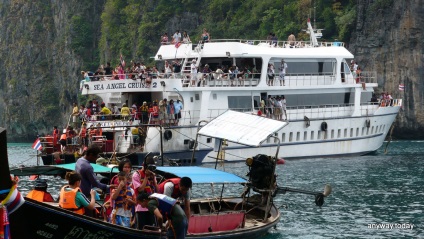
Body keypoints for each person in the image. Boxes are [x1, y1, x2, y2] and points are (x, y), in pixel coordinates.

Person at [75, 145, 112, 216]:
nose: (96, 159)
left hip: (77, 192)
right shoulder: (88, 167)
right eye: (95, 157)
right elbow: (95, 184)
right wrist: (107, 186)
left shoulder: (79, 160)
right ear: (91, 155)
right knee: (89, 216)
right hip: (85, 195)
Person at [132, 157, 158, 230]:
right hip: (141, 208)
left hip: (151, 207)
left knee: (153, 229)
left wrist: (154, 180)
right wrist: (146, 177)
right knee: (141, 229)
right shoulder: (136, 174)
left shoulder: (152, 175)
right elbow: (140, 189)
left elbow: (157, 191)